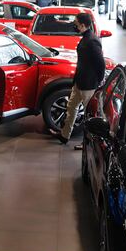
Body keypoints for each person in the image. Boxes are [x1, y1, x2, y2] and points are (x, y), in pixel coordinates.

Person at [49, 12, 105, 149]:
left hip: (89, 86)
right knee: (71, 108)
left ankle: (87, 144)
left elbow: (101, 64)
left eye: (76, 23)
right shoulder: (85, 38)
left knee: (89, 115)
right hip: (79, 83)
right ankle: (64, 135)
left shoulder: (92, 41)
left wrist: (98, 82)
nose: (74, 25)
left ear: (83, 25)